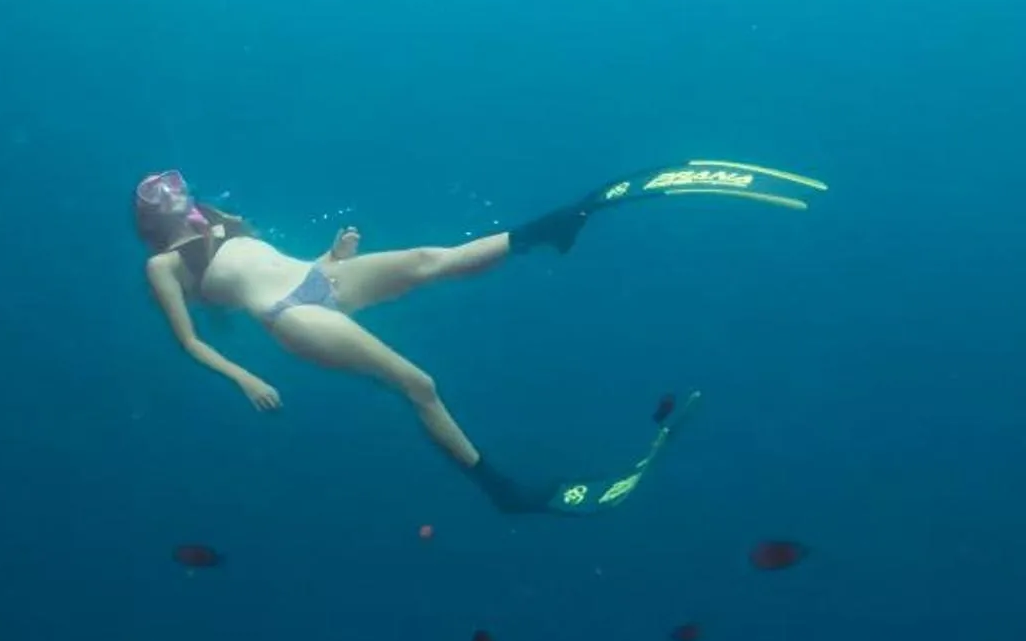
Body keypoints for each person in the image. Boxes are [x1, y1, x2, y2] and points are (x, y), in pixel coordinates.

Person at [132, 158, 819, 514]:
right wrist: (245, 376)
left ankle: (556, 222)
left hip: (318, 283)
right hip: (291, 318)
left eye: (175, 190)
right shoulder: (163, 266)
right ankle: (502, 490)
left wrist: (332, 253)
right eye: (161, 199)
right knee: (417, 383)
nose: (176, 201)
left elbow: (292, 265)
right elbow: (192, 342)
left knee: (439, 259)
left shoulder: (225, 221)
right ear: (153, 220)